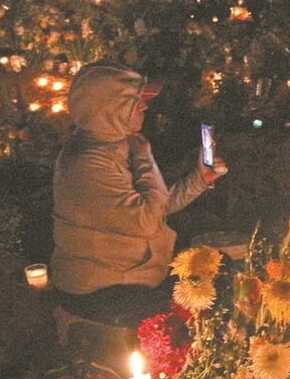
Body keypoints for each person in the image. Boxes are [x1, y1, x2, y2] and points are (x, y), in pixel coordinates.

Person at [51, 61, 226, 324]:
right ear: (111, 107)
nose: (145, 107)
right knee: (206, 307)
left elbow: (154, 208)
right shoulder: (88, 162)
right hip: (102, 288)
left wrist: (199, 181)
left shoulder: (112, 144)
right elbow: (146, 219)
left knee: (220, 278)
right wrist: (145, 159)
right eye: (136, 101)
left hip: (129, 273)